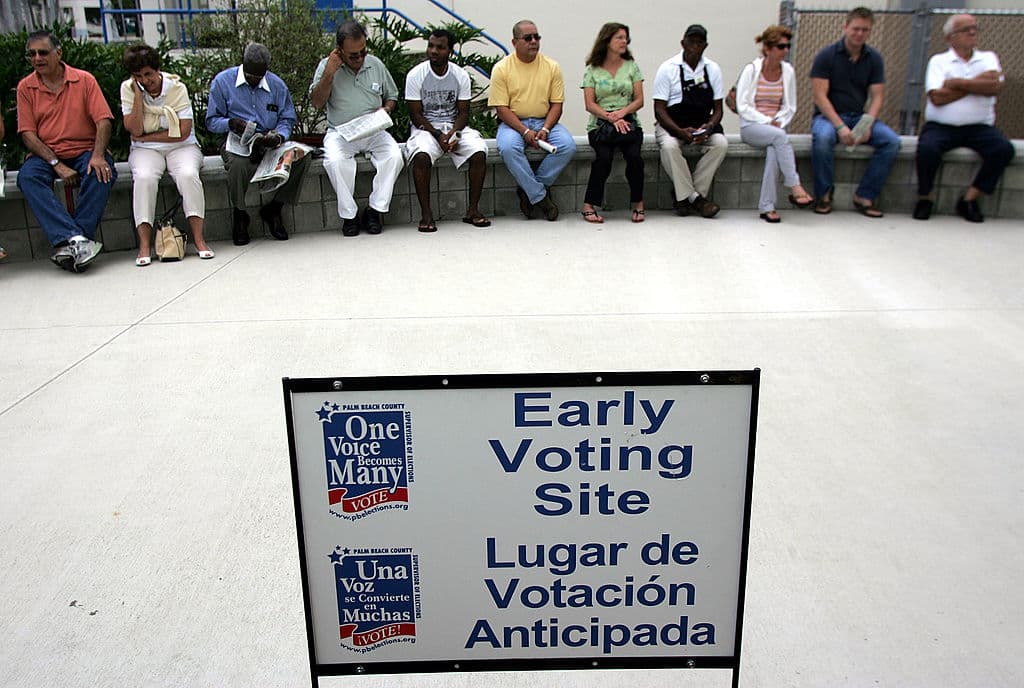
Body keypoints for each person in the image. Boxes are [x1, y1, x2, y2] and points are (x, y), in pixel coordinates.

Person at [16, 29, 115, 272]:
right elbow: (27, 134)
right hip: (46, 154)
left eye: (43, 52)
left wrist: (98, 155)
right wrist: (56, 164)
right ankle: (78, 240)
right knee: (27, 178)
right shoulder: (25, 87)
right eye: (32, 54)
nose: (37, 58)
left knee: (101, 172)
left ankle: (72, 242)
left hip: (85, 149)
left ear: (58, 53)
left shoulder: (84, 80)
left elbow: (103, 120)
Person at [913, 14, 1014, 223]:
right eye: (966, 29)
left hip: (979, 127)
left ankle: (969, 199)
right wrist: (978, 85)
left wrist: (958, 83)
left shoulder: (988, 58)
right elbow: (937, 98)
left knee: (1003, 150)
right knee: (927, 150)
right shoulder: (939, 61)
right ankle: (926, 198)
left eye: (975, 28)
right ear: (951, 37)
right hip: (941, 126)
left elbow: (995, 87)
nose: (972, 32)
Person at [207, 43, 308, 245]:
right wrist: (231, 123)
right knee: (238, 165)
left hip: (268, 141)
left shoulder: (277, 86)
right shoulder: (223, 82)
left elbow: (287, 119)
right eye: (250, 75)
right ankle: (240, 214)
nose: (254, 80)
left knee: (302, 157)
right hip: (236, 141)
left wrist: (279, 136)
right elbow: (211, 121)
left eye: (258, 76)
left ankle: (274, 209)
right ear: (243, 64)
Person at [120, 44, 212, 266]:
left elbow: (183, 131)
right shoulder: (129, 89)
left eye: (149, 74)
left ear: (158, 69)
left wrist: (148, 136)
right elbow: (134, 130)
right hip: (145, 150)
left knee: (189, 174)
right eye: (138, 76)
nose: (145, 80)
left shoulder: (176, 88)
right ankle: (144, 246)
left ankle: (199, 240)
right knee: (144, 177)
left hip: (182, 146)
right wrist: (138, 99)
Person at [310, 20, 401, 236]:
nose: (359, 58)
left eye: (363, 52)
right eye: (353, 55)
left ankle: (375, 210)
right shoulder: (326, 67)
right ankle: (349, 215)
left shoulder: (375, 64)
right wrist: (330, 74)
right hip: (341, 131)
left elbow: (392, 96)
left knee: (394, 156)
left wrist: (386, 110)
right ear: (339, 51)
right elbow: (317, 103)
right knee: (335, 161)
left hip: (373, 129)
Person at [810, 7, 900, 217]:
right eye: (856, 29)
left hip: (859, 115)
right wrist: (840, 127)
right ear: (846, 27)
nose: (860, 34)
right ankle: (823, 195)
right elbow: (820, 96)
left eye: (865, 30)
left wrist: (866, 124)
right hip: (828, 116)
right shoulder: (826, 56)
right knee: (822, 139)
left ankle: (865, 195)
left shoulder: (874, 58)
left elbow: (877, 96)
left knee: (891, 141)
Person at [488, 20, 577, 221]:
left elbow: (557, 104)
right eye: (528, 38)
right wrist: (524, 131)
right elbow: (501, 109)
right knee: (509, 148)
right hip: (513, 123)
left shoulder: (552, 66)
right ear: (514, 42)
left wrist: (545, 128)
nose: (534, 41)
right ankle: (541, 197)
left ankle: (529, 191)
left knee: (568, 146)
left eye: (537, 37)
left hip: (544, 121)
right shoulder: (502, 68)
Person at [404, 29, 490, 231]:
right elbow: (415, 115)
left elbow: (463, 113)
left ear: (450, 51)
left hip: (454, 127)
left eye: (440, 47)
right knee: (422, 156)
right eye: (431, 46)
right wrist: (438, 135)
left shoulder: (460, 75)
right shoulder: (416, 75)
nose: (433, 51)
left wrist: (454, 133)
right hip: (426, 129)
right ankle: (426, 214)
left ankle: (472, 210)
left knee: (479, 152)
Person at [734, 25, 814, 223]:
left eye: (788, 46)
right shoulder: (751, 70)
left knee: (774, 149)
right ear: (768, 48)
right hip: (752, 127)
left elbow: (790, 106)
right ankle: (795, 185)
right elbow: (742, 105)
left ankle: (767, 207)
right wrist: (768, 121)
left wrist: (779, 120)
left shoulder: (788, 72)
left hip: (776, 128)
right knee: (779, 137)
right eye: (781, 46)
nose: (786, 50)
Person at [652, 24, 727, 219]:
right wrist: (680, 132)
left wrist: (708, 128)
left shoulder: (713, 69)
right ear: (682, 43)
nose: (694, 46)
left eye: (699, 42)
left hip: (702, 125)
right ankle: (696, 199)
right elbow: (659, 110)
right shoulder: (668, 68)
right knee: (668, 147)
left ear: (705, 45)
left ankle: (683, 197)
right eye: (691, 41)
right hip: (672, 125)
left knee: (721, 144)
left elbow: (718, 109)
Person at [580, 22, 645, 224]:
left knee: (634, 158)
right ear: (607, 40)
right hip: (601, 125)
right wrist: (610, 117)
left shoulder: (632, 67)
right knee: (603, 158)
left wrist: (621, 114)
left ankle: (639, 203)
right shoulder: (592, 70)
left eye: (626, 38)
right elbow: (589, 104)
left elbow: (639, 100)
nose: (624, 41)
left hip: (628, 122)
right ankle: (589, 205)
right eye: (619, 37)